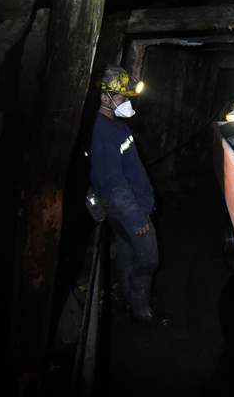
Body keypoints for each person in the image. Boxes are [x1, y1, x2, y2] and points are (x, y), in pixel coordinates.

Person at [89, 65, 157, 323]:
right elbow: (114, 183)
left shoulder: (116, 125)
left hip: (132, 206)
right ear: (105, 98)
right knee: (149, 258)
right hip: (128, 209)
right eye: (121, 97)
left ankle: (126, 295)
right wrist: (138, 218)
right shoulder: (103, 133)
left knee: (127, 252)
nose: (126, 101)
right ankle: (142, 311)